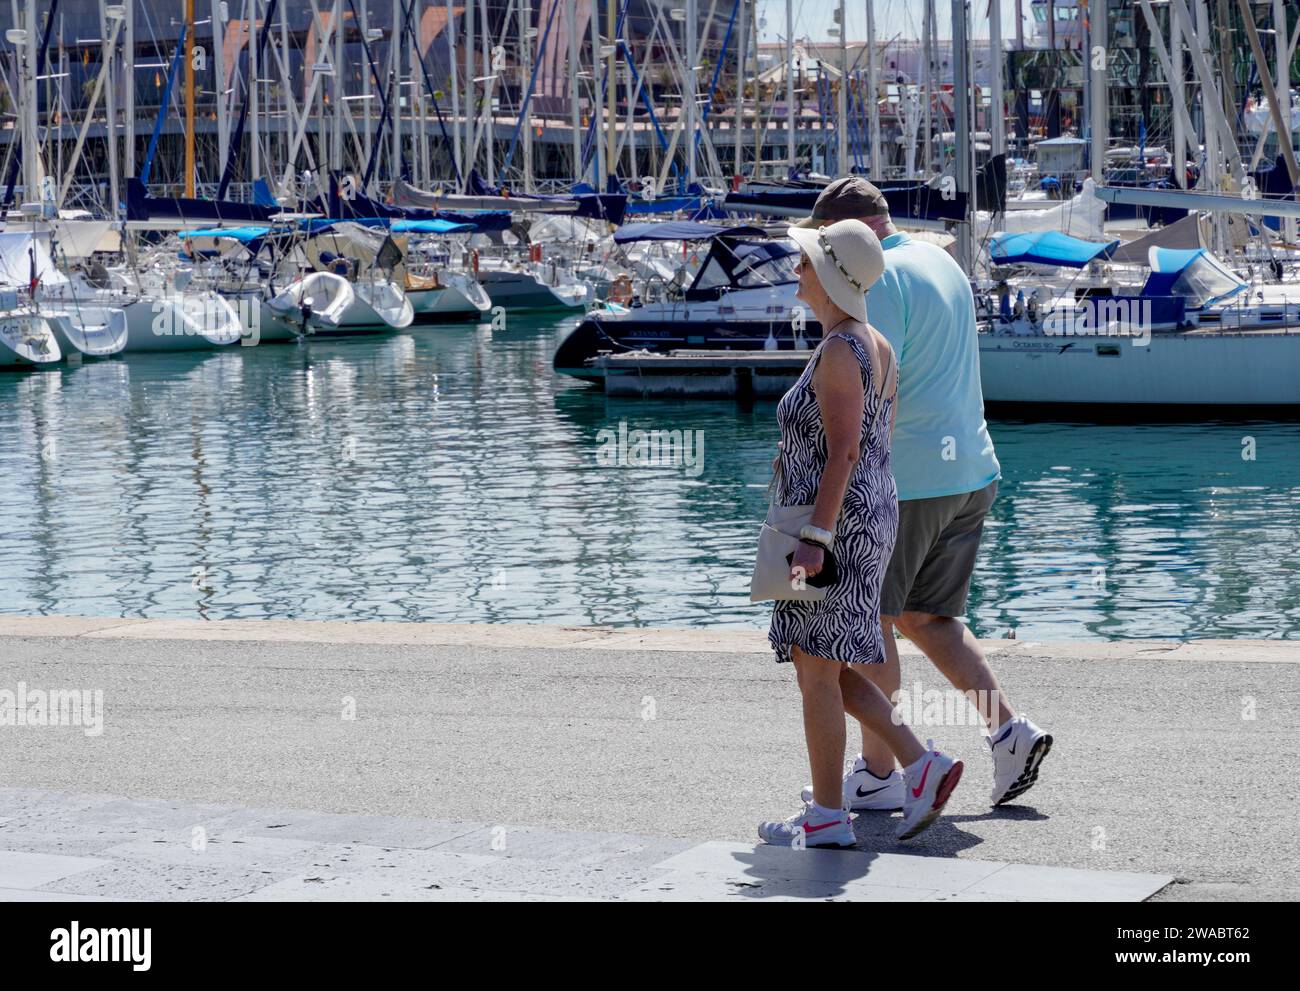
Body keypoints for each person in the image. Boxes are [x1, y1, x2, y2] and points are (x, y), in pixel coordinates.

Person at [794, 178, 1053, 813]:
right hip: (972, 468)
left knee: (871, 625)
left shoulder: (876, 285)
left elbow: (869, 389)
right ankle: (1010, 732)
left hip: (910, 483)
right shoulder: (942, 259)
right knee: (929, 617)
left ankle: (882, 775)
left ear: (845, 236)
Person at [759, 219, 964, 847]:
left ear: (828, 276)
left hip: (832, 527)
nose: (795, 270)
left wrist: (816, 534)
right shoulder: (874, 344)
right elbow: (876, 445)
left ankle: (831, 815)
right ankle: (908, 769)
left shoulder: (842, 352)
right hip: (866, 516)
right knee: (817, 661)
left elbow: (844, 452)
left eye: (804, 262)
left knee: (815, 665)